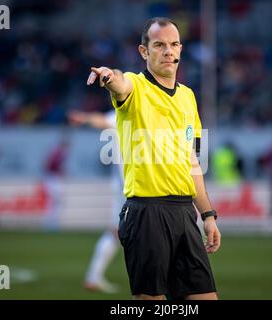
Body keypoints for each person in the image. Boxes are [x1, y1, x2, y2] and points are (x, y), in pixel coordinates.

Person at [86, 17, 221, 300]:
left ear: (181, 49)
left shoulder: (188, 97)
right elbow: (121, 85)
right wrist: (110, 77)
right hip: (147, 213)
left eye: (173, 45)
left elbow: (192, 162)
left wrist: (208, 215)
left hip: (185, 214)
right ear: (144, 51)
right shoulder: (135, 86)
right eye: (159, 45)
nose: (168, 51)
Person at [68, 110, 123, 294]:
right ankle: (93, 277)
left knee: (118, 233)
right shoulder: (127, 110)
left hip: (132, 186)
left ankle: (93, 277)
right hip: (131, 187)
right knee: (118, 232)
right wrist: (84, 118)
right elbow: (102, 121)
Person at [42, 137, 70, 231]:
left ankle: (52, 223)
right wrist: (61, 171)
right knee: (56, 201)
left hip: (52, 178)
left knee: (54, 202)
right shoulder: (59, 153)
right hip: (53, 178)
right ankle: (52, 223)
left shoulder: (56, 153)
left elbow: (47, 165)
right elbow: (53, 166)